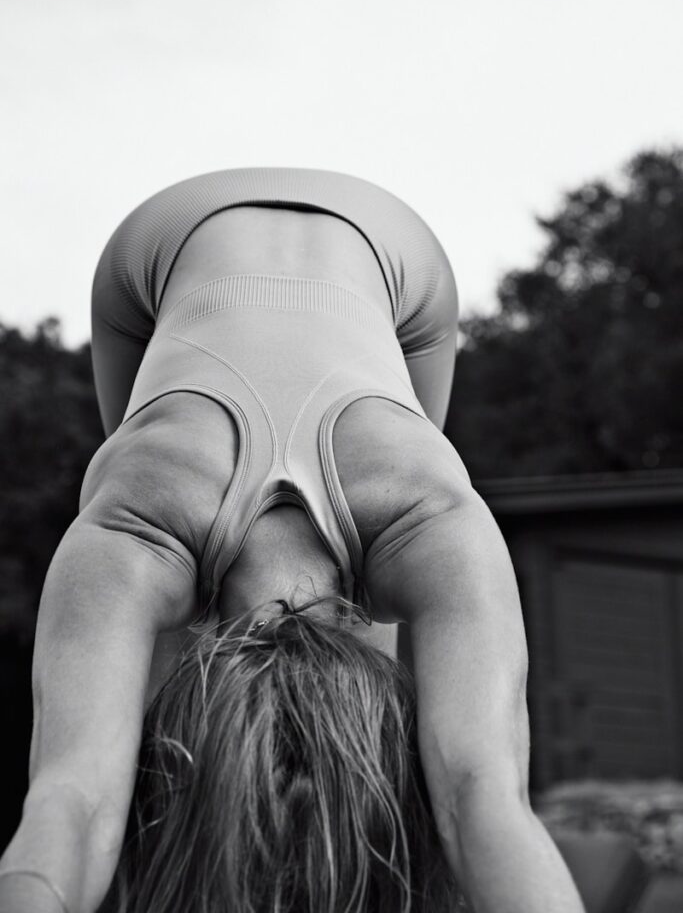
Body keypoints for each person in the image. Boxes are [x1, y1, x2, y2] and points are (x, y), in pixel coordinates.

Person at [0, 168, 585, 913]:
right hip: (159, 243)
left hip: (395, 250)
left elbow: (483, 803)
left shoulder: (432, 516)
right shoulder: (137, 519)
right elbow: (71, 804)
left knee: (457, 768)